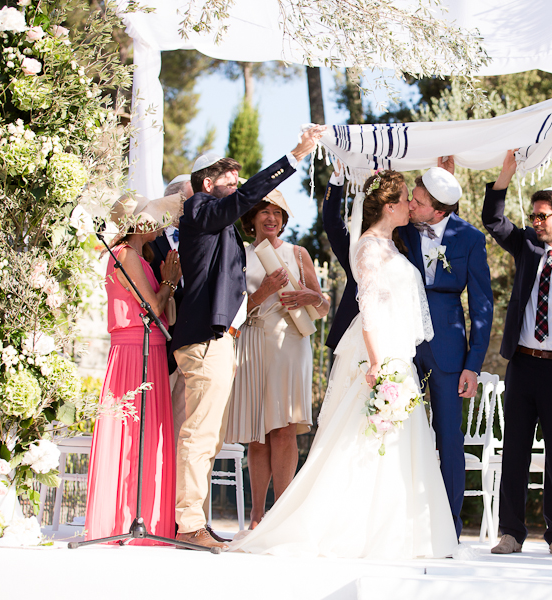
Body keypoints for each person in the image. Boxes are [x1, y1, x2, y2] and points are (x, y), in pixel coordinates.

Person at [229, 170, 458, 559]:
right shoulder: (369, 247)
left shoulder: (393, 244)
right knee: (364, 438)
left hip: (398, 350)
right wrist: (378, 362)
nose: (411, 205)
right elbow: (367, 307)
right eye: (405, 199)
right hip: (379, 352)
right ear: (389, 206)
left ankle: (398, 529)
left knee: (397, 441)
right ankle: (351, 528)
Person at [170, 127, 324, 550]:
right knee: (200, 436)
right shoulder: (200, 208)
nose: (238, 190)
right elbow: (239, 202)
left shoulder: (224, 232)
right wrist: (293, 157)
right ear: (207, 184)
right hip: (205, 339)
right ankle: (187, 524)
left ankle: (192, 519)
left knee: (210, 437)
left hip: (223, 340)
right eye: (231, 183)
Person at [482, 150, 552, 556]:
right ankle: (510, 532)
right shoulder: (529, 248)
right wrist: (504, 175)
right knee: (514, 449)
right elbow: (494, 221)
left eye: (542, 216)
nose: (535, 223)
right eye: (533, 217)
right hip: (524, 363)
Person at [398, 157, 493, 539]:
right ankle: (402, 519)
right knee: (397, 429)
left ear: (438, 209)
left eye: (417, 201)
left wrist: (473, 364)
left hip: (450, 353)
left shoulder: (469, 238)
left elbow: (482, 304)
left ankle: (449, 526)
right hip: (402, 346)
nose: (410, 205)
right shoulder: (401, 231)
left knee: (449, 439)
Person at [225, 188, 330, 529]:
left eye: (278, 213)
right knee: (258, 431)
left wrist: (312, 296)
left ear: (284, 220)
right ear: (252, 217)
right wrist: (265, 291)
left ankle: (282, 516)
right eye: (265, 211)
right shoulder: (239, 254)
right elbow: (233, 307)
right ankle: (257, 516)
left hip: (291, 343)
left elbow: (323, 307)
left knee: (284, 428)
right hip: (253, 340)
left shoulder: (299, 254)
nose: (272, 218)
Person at [84, 192, 183, 545]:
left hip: (150, 351)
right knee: (131, 435)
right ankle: (122, 518)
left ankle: (145, 514)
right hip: (134, 354)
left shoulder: (138, 256)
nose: (160, 225)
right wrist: (169, 281)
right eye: (154, 219)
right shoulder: (125, 254)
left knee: (148, 436)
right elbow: (153, 307)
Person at [148, 173, 191, 440]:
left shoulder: (201, 241)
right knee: (152, 426)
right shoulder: (149, 241)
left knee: (181, 430)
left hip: (189, 347)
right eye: (187, 200)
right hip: (157, 346)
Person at [323, 166, 358, 351]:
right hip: (353, 337)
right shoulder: (357, 252)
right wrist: (337, 178)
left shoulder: (405, 244)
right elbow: (332, 222)